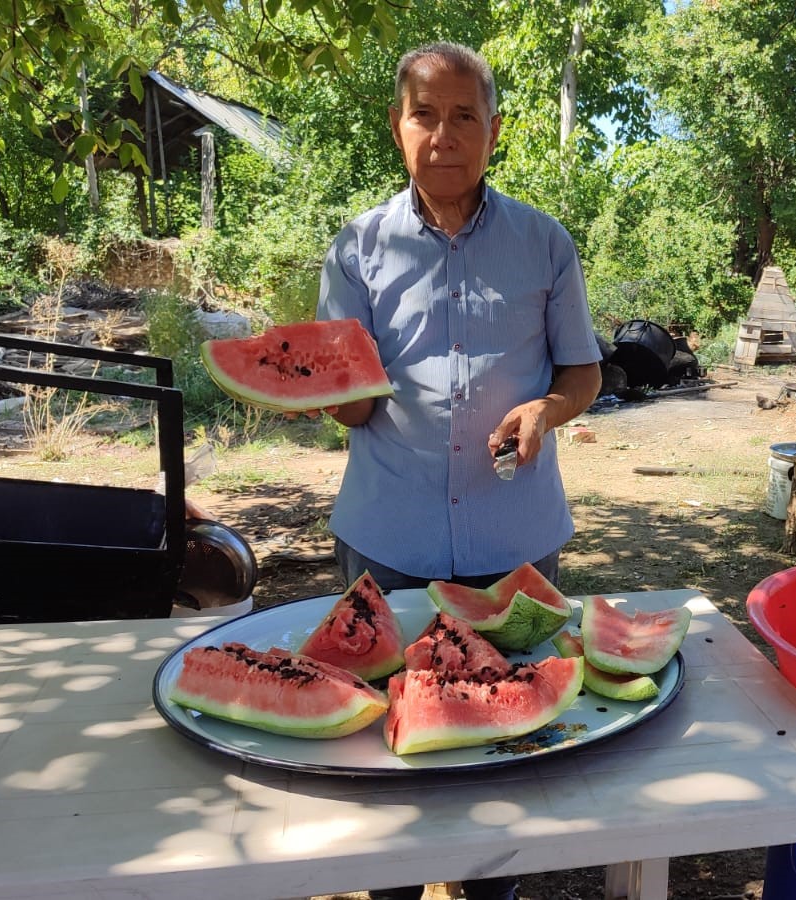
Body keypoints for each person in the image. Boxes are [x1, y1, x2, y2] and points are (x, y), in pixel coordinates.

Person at [310, 42, 602, 900]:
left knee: (502, 755)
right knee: (388, 737)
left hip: (514, 541)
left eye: (464, 115)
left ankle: (493, 886)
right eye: (425, 115)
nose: (445, 134)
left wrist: (547, 410)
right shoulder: (356, 248)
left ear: (495, 130)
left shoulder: (545, 243)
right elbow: (350, 400)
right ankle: (394, 883)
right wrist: (327, 390)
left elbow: (581, 372)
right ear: (397, 128)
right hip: (386, 536)